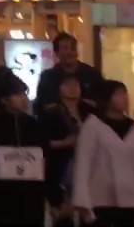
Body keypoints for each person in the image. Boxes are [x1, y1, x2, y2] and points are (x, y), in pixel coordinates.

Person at [72, 81, 134, 227]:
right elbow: (83, 164)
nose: (124, 98)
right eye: (118, 94)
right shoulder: (93, 126)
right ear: (106, 98)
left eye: (125, 93)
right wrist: (83, 201)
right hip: (100, 200)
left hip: (133, 200)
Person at [0, 68, 48, 227]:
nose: (23, 99)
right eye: (18, 94)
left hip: (32, 198)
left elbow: (44, 158)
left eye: (24, 93)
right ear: (4, 100)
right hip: (2, 198)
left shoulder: (33, 125)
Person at [39, 71, 92, 224]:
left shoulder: (89, 111)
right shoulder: (51, 113)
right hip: (61, 167)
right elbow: (42, 142)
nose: (72, 88)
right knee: (64, 216)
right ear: (59, 88)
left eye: (76, 84)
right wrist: (65, 143)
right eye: (67, 84)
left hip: (86, 167)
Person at [33, 33, 103, 114]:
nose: (70, 52)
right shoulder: (48, 77)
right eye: (65, 49)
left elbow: (103, 102)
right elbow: (40, 106)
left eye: (73, 48)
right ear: (56, 52)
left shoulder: (92, 74)